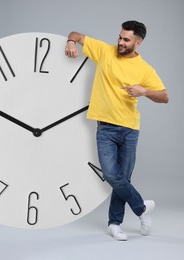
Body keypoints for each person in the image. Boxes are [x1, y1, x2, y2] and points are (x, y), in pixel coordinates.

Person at [65, 21, 169, 241]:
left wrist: (144, 91)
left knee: (124, 178)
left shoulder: (144, 69)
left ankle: (114, 223)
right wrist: (71, 42)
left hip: (130, 129)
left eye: (126, 39)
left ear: (138, 43)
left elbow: (164, 97)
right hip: (105, 129)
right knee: (112, 175)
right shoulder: (105, 51)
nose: (120, 42)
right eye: (120, 37)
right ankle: (141, 208)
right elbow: (76, 33)